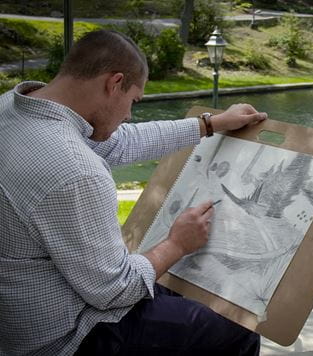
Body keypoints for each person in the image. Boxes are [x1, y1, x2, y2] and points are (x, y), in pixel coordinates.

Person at [0, 29, 268, 356]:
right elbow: (115, 291)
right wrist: (177, 243)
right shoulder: (75, 169)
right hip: (66, 336)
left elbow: (122, 142)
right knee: (238, 330)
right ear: (114, 83)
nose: (128, 114)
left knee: (188, 295)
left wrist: (211, 123)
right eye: (133, 101)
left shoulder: (12, 109)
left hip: (21, 310)